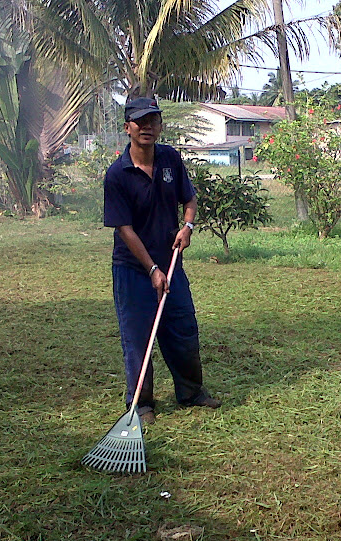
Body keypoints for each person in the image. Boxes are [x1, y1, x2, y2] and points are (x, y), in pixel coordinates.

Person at [103, 97, 220, 425]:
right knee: (138, 336)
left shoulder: (170, 159)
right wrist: (151, 269)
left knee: (182, 329)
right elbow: (124, 229)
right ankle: (141, 405)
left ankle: (192, 393)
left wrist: (188, 226)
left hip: (171, 264)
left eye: (153, 120)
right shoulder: (117, 175)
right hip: (133, 270)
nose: (147, 127)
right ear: (127, 127)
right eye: (140, 122)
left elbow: (190, 199)